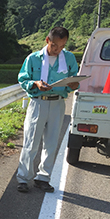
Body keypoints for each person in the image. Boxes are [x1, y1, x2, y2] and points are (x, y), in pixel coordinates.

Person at [17, 27, 79, 193]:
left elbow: (74, 77)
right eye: (54, 46)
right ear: (47, 41)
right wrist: (35, 83)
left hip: (58, 103)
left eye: (62, 46)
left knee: (51, 143)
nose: (58, 50)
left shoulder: (69, 58)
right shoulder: (33, 58)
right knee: (31, 142)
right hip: (38, 103)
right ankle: (23, 178)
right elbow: (23, 79)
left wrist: (75, 84)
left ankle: (43, 178)